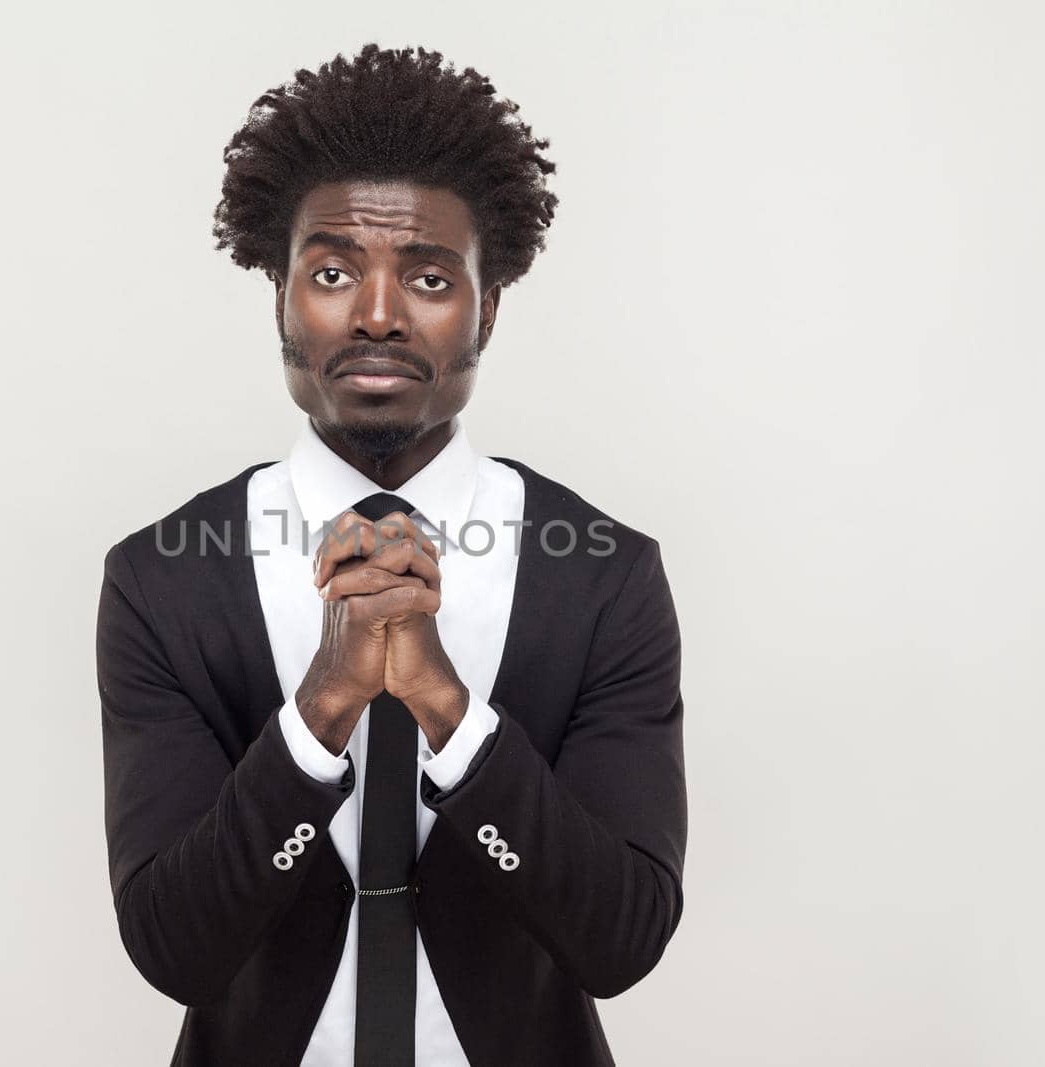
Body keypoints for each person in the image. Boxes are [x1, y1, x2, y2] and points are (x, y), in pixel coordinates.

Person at [96, 43, 686, 1067]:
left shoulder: (603, 574)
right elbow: (173, 948)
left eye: (425, 275)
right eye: (331, 272)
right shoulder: (164, 578)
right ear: (278, 294)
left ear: (486, 305)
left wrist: (450, 714)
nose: (376, 312)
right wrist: (321, 706)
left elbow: (620, 937)